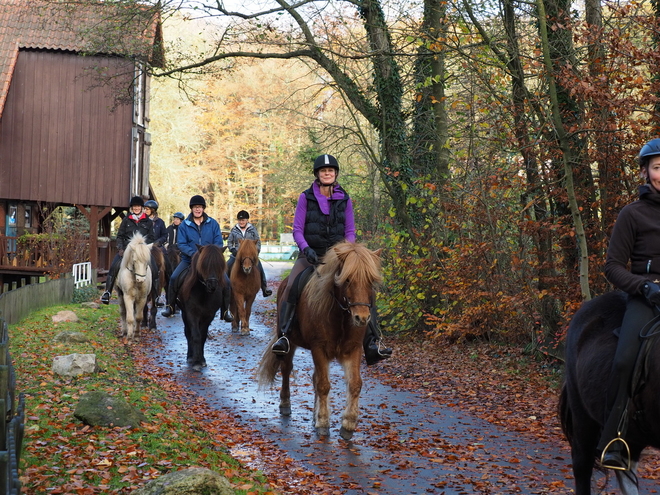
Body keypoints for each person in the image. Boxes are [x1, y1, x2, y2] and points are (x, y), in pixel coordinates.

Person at [271, 154, 392, 365]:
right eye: (323, 171)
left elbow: (350, 231)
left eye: (331, 171)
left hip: (340, 257)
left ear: (335, 174)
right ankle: (284, 335)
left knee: (365, 289)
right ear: (317, 175)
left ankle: (372, 342)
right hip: (312, 255)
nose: (327, 173)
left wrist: (348, 252)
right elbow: (298, 229)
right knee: (292, 284)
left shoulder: (344, 198)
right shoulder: (305, 197)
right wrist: (305, 248)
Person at [600, 138, 660, 470]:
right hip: (646, 297)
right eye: (658, 167)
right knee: (624, 360)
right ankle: (615, 439)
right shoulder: (632, 214)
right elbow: (612, 266)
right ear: (646, 172)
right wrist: (644, 287)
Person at [161, 195, 233, 322]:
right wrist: (194, 254)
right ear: (191, 209)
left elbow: (218, 242)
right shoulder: (184, 225)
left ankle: (225, 311)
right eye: (195, 207)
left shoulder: (213, 223)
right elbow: (182, 244)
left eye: (199, 207)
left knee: (226, 282)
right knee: (173, 278)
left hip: (209, 262)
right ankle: (170, 306)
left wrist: (208, 255)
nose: (197, 209)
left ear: (203, 208)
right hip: (189, 259)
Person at [100, 196, 155, 304]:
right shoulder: (126, 220)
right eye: (134, 206)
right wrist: (120, 248)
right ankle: (108, 292)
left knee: (155, 267)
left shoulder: (148, 221)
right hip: (127, 250)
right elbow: (120, 236)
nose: (136, 208)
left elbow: (151, 237)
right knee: (114, 266)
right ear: (131, 208)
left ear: (142, 208)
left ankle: (156, 295)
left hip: (141, 252)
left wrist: (144, 248)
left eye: (138, 206)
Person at [226, 210, 272, 298]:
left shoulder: (253, 230)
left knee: (260, 267)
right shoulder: (234, 230)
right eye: (240, 220)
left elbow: (257, 242)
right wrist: (233, 250)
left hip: (250, 256)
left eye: (243, 220)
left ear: (247, 220)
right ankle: (225, 288)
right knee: (227, 266)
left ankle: (264, 287)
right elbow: (229, 242)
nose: (241, 222)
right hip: (236, 255)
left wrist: (255, 253)